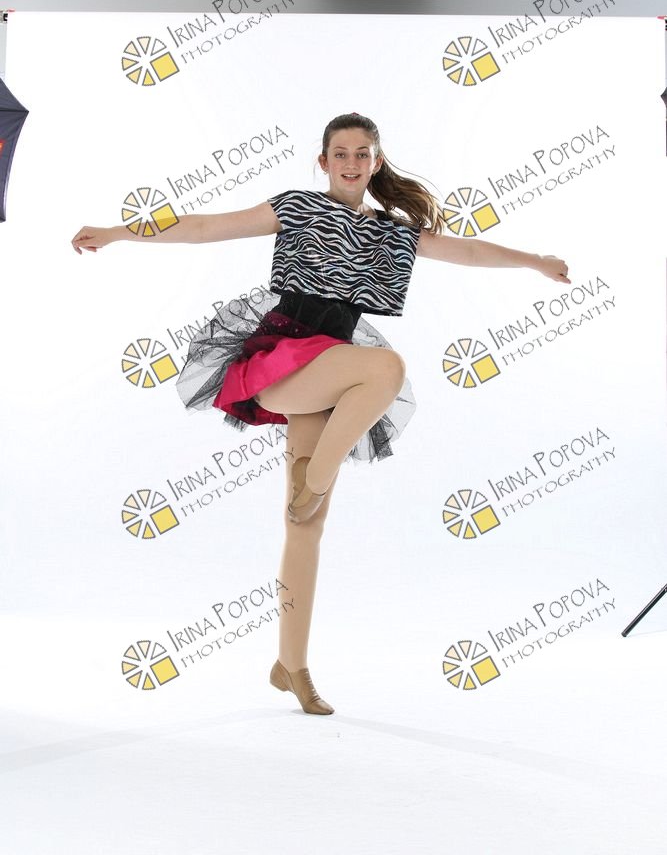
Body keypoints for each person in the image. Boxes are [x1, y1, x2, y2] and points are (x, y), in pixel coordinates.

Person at [71, 112, 569, 716]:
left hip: (330, 371)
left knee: (305, 527)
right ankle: (320, 475)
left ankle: (291, 666)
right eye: (341, 153)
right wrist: (118, 232)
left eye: (362, 154)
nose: (351, 163)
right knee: (386, 369)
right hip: (283, 361)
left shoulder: (392, 232)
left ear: (376, 162)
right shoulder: (297, 207)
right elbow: (203, 227)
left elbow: (466, 250)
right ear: (324, 160)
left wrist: (535, 259)